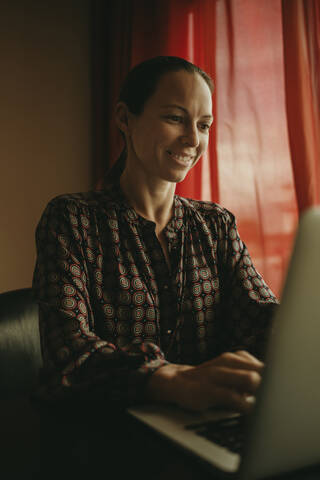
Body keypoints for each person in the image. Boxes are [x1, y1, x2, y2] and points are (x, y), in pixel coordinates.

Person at [32, 56, 278, 419]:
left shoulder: (217, 225)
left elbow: (261, 321)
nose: (193, 139)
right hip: (105, 438)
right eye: (175, 118)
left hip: (207, 427)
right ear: (124, 118)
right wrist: (172, 380)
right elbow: (69, 355)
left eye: (204, 124)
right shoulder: (72, 219)